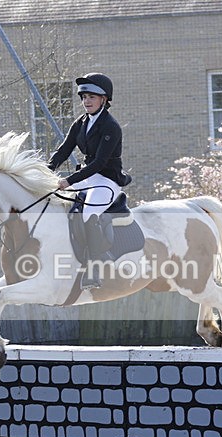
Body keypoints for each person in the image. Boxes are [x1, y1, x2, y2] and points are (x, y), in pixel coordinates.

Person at [48, 73, 131, 289]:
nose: (86, 101)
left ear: (104, 100)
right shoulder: (81, 123)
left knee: (89, 213)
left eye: (91, 97)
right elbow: (64, 150)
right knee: (55, 202)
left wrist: (69, 180)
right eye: (84, 97)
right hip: (88, 176)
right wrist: (46, 171)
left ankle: (94, 267)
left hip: (107, 180)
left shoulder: (110, 126)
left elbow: (100, 163)